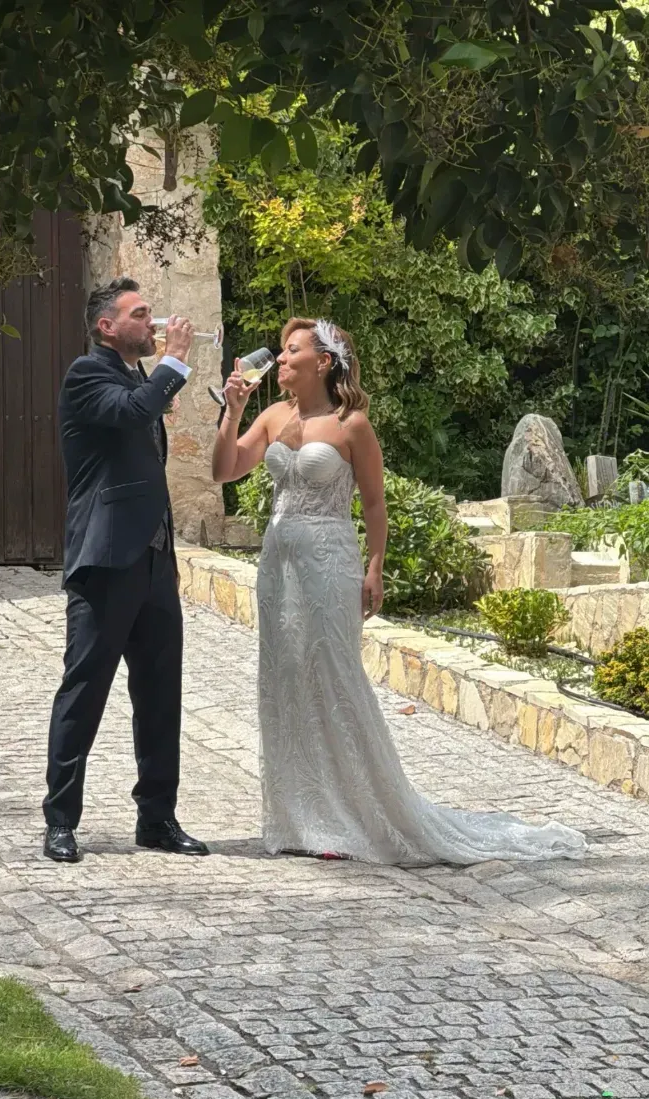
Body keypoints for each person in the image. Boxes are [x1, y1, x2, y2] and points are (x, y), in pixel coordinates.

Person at [211, 317, 588, 866]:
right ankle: (302, 817)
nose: (280, 360)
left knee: (334, 677)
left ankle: (357, 814)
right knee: (285, 676)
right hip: (279, 567)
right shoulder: (271, 415)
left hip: (328, 561)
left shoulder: (352, 425)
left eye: (291, 352)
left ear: (323, 363)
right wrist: (234, 409)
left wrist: (376, 566)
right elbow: (224, 470)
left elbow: (373, 503)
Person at [43, 277, 209, 864]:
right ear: (107, 326)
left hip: (154, 560)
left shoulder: (137, 377)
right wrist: (177, 360)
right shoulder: (87, 375)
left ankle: (157, 818)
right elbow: (135, 412)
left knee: (161, 694)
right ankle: (61, 821)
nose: (155, 322)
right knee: (84, 689)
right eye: (141, 314)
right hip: (106, 559)